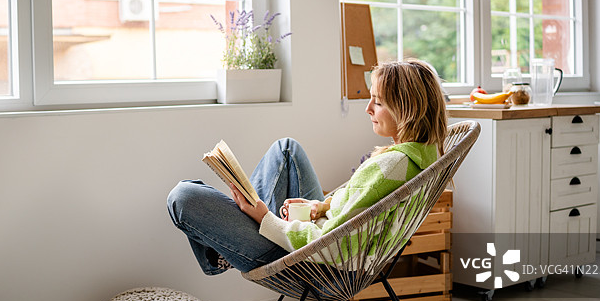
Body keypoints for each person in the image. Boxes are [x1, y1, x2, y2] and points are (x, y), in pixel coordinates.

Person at [167, 59, 448, 275]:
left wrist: (267, 219)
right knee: (286, 149)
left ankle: (225, 246)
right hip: (317, 236)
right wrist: (319, 207)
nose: (368, 108)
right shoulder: (423, 156)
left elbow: (334, 246)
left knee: (184, 196)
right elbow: (356, 213)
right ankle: (233, 238)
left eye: (379, 101)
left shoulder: (390, 166)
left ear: (407, 110)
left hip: (316, 260)